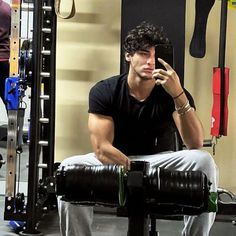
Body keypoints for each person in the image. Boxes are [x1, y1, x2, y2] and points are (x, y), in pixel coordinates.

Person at [58, 22, 218, 236]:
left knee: (204, 161)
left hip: (159, 161)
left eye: (155, 55)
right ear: (128, 56)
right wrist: (136, 171)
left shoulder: (173, 93)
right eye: (143, 54)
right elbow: (102, 149)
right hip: (115, 163)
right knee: (68, 169)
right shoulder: (105, 91)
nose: (151, 61)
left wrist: (178, 93)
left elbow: (194, 143)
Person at [0, 0, 11, 106]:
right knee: (8, 99)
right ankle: (13, 122)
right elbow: (12, 31)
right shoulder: (7, 8)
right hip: (4, 59)